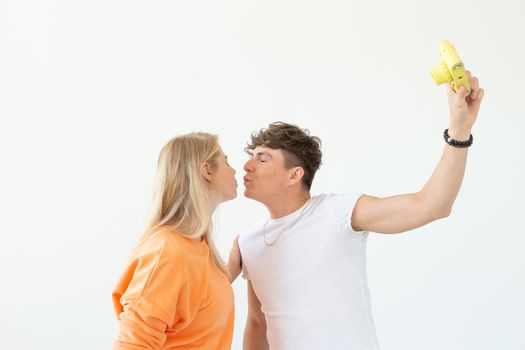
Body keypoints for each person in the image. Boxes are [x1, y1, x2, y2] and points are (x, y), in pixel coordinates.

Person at [238, 73, 484, 349]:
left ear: (294, 175)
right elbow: (258, 323)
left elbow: (432, 205)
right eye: (250, 158)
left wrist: (459, 130)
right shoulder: (247, 241)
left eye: (262, 158)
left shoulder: (338, 212)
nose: (247, 166)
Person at [112, 132, 242, 350]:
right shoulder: (167, 252)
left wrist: (228, 271)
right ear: (207, 170)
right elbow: (133, 344)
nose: (234, 169)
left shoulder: (196, 246)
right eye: (226, 161)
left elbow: (192, 310)